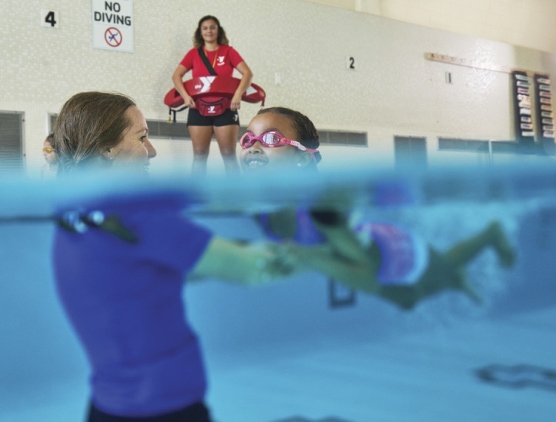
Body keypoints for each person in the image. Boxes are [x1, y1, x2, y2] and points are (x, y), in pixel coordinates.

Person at [52, 92, 303, 422]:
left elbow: (135, 280)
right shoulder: (135, 215)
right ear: (106, 150)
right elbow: (251, 270)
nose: (152, 151)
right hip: (165, 405)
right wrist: (323, 247)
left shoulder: (73, 214)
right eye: (142, 138)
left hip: (108, 404)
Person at [239, 107, 517, 310]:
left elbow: (366, 276)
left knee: (431, 278)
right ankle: (457, 279)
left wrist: (308, 258)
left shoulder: (322, 208)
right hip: (372, 253)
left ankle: (489, 235)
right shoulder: (257, 208)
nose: (253, 147)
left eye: (271, 139)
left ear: (301, 159)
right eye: (248, 139)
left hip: (395, 251)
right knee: (412, 297)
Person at [172, 15, 253, 176]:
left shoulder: (229, 51)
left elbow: (247, 73)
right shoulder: (193, 53)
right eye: (205, 28)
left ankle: (235, 197)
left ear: (218, 30)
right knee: (200, 155)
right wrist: (186, 97)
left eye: (212, 27)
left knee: (229, 155)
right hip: (198, 108)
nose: (209, 30)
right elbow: (176, 76)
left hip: (226, 107)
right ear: (200, 32)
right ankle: (197, 197)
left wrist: (237, 95)